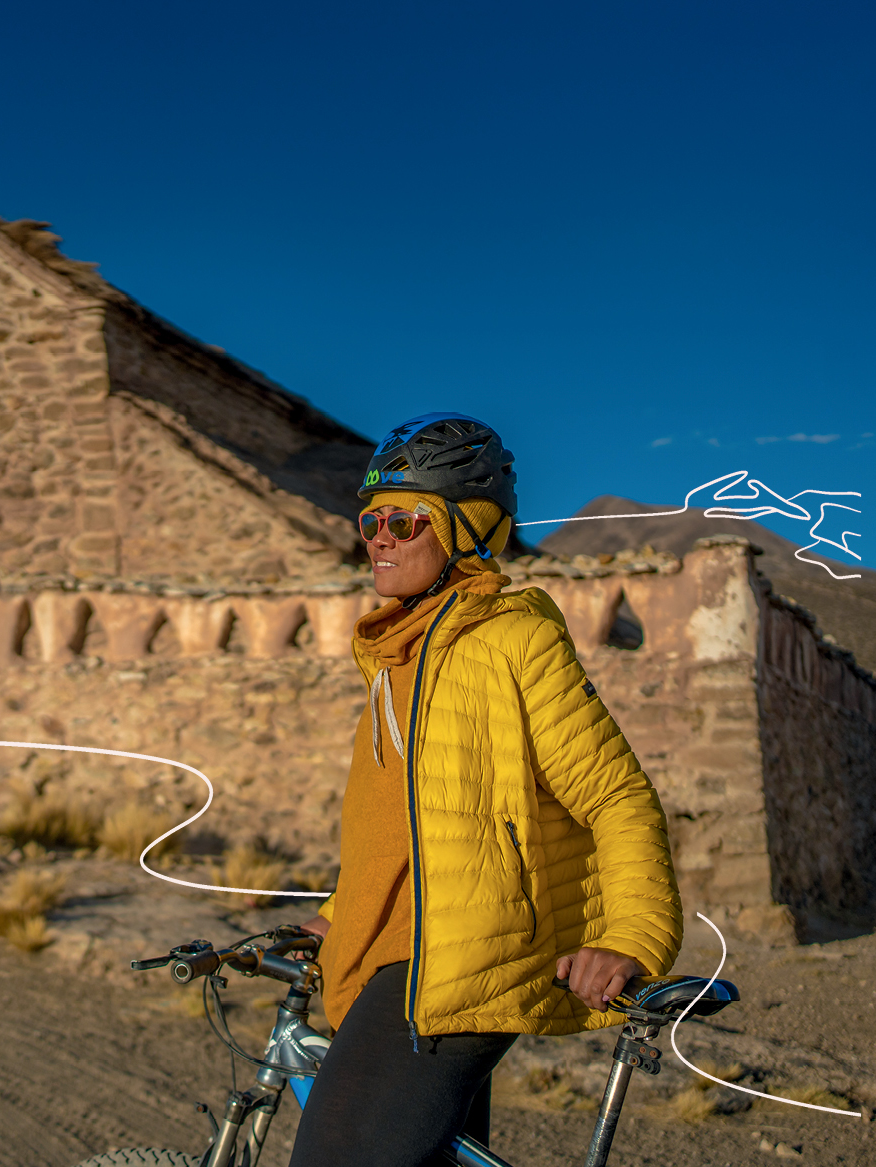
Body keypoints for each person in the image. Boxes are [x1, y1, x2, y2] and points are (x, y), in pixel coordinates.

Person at [288, 412, 683, 1167]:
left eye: (404, 520)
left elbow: (616, 795)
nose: (379, 537)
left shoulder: (511, 638)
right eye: (371, 519)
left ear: (465, 530)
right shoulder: (392, 659)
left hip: (458, 961)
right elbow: (403, 828)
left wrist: (630, 934)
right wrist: (341, 915)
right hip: (395, 955)